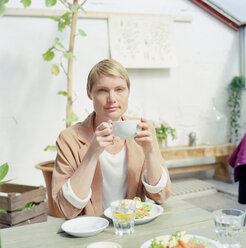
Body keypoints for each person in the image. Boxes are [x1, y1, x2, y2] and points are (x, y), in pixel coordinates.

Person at [52, 59, 172, 219]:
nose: (112, 98)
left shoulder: (141, 131)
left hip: (131, 226)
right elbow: (65, 210)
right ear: (89, 94)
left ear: (128, 91)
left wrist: (150, 151)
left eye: (119, 89)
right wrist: (92, 153)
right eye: (102, 90)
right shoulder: (69, 139)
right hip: (91, 232)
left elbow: (161, 196)